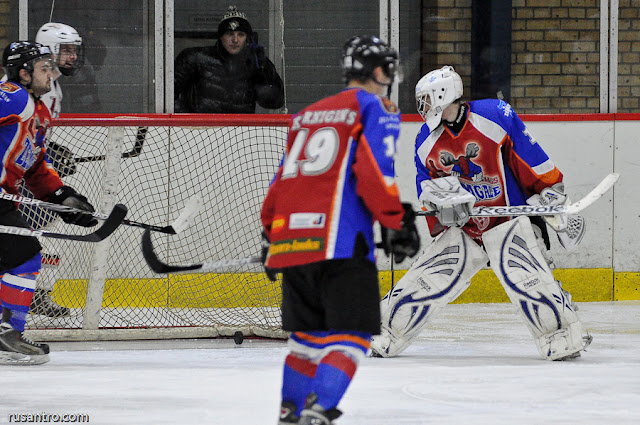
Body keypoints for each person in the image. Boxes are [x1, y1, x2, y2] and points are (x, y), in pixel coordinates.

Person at [369, 65, 591, 362]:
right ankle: (383, 334)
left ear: (444, 95)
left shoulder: (495, 115)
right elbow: (427, 185)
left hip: (507, 221)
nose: (422, 107)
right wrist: (441, 211)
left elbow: (526, 153)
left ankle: (564, 338)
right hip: (466, 227)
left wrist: (549, 189)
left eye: (425, 99)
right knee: (426, 279)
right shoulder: (425, 141)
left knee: (529, 280)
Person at [261, 35, 420, 425]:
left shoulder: (306, 115)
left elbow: (281, 183)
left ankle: (291, 414)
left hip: (294, 242)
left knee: (307, 341)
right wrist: (395, 220)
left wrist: (273, 235)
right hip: (342, 243)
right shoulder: (375, 106)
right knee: (352, 334)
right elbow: (373, 170)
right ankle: (318, 412)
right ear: (379, 70)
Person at [0, 41, 97, 364]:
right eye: (43, 68)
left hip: (4, 202)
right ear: (24, 73)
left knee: (13, 259)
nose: (50, 74)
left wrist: (62, 196)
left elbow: (36, 167)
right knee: (25, 254)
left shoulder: (38, 111)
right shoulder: (11, 94)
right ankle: (7, 335)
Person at [174, 5, 284, 113]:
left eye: (240, 34)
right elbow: (169, 94)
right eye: (230, 34)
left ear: (247, 38)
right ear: (221, 36)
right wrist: (187, 121)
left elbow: (274, 102)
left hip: (241, 129)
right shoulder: (195, 58)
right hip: (200, 128)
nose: (235, 40)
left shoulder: (256, 62)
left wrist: (263, 69)